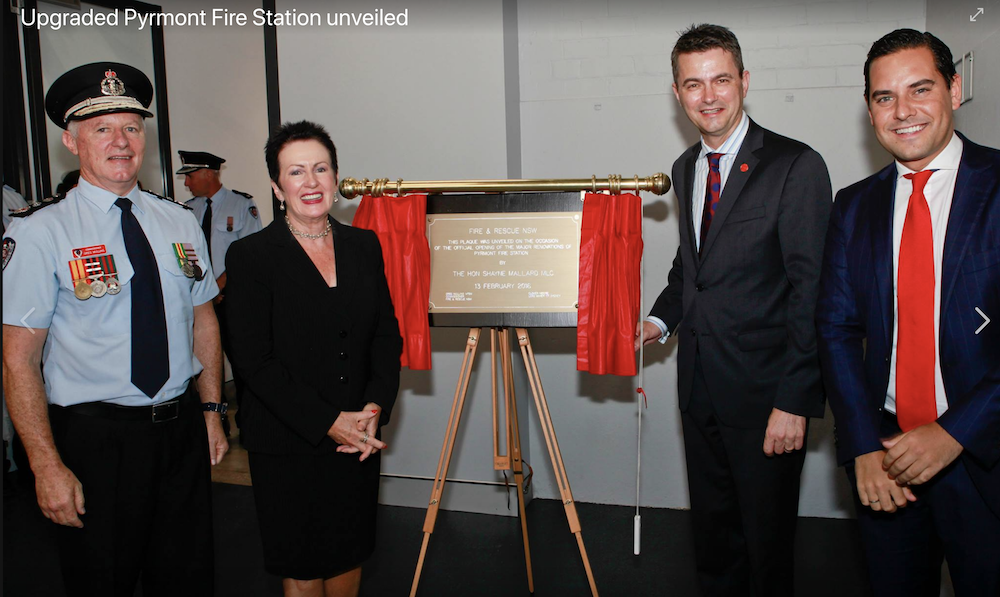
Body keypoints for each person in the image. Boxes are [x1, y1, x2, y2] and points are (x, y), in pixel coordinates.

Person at [1, 62, 227, 596]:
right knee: (102, 580)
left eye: (132, 126)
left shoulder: (177, 219)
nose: (121, 142)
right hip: (94, 439)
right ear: (71, 140)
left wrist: (213, 410)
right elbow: (17, 359)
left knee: (187, 578)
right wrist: (45, 464)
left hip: (179, 433)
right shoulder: (40, 232)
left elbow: (203, 318)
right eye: (102, 128)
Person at [635, 24, 833, 596]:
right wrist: (657, 321)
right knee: (715, 541)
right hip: (698, 388)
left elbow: (811, 291)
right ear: (677, 93)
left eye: (721, 79)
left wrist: (794, 401)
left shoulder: (796, 166)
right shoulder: (685, 169)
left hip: (766, 399)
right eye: (694, 84)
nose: (709, 96)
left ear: (745, 82)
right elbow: (692, 265)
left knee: (766, 546)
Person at [816, 29, 1000, 596]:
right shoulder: (854, 204)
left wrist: (953, 433)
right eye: (883, 97)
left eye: (920, 89)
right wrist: (863, 444)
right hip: (887, 462)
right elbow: (837, 329)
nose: (903, 112)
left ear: (954, 87)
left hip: (985, 457)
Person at [224, 120, 402, 597]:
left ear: (336, 176)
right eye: (296, 171)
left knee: (350, 552)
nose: (311, 182)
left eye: (320, 168)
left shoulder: (364, 245)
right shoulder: (251, 257)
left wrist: (373, 408)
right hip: (288, 439)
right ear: (277, 186)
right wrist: (328, 421)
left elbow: (385, 334)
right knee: (302, 566)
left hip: (357, 437)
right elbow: (253, 360)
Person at [178, 150, 263, 431]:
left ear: (208, 173)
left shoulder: (241, 205)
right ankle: (213, 421)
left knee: (241, 363)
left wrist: (217, 288)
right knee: (200, 363)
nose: (187, 183)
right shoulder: (187, 210)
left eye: (190, 175)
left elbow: (249, 256)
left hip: (231, 300)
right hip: (199, 301)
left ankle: (250, 423)